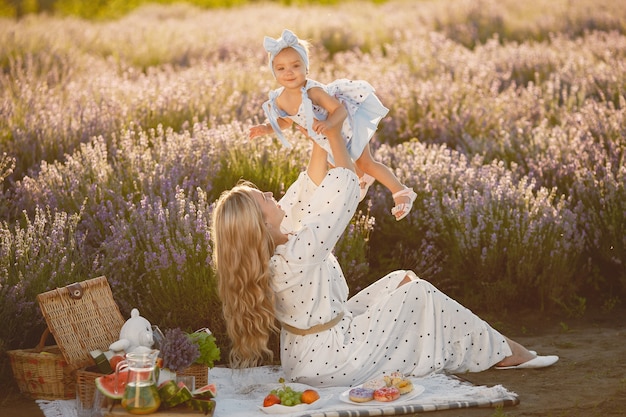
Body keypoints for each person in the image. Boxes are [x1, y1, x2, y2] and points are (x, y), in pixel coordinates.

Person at [212, 121, 559, 387]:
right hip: (332, 358)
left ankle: (483, 346)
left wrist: (319, 127)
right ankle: (505, 352)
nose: (273, 194)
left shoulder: (278, 239)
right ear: (259, 222)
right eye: (264, 199)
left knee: (402, 279)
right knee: (418, 292)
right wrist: (334, 134)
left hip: (314, 348)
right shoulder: (292, 256)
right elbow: (340, 190)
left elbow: (310, 187)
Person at [249, 28, 416, 221]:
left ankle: (401, 191)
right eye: (281, 68)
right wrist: (266, 128)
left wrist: (329, 123)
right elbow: (286, 121)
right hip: (325, 138)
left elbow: (340, 109)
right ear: (274, 72)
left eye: (296, 66)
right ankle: (361, 178)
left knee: (365, 162)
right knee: (338, 167)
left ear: (306, 68)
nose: (289, 72)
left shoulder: (312, 92)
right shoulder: (280, 99)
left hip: (345, 127)